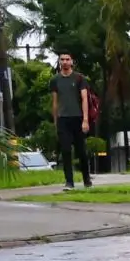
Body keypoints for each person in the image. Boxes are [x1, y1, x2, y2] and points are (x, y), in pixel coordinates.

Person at [49, 53, 93, 188]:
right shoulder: (55, 80)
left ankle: (87, 180)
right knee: (66, 151)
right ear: (59, 62)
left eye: (67, 59)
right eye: (62, 60)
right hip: (63, 119)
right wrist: (56, 120)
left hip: (78, 117)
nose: (65, 62)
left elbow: (85, 98)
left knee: (81, 151)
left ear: (72, 62)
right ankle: (69, 182)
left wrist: (85, 120)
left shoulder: (79, 78)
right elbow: (55, 101)